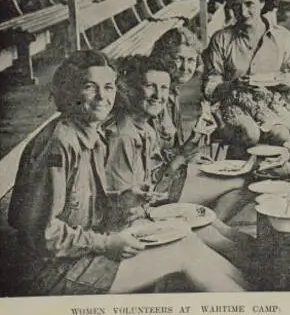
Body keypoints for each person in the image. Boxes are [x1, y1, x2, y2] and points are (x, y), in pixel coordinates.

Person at [8, 50, 246, 295]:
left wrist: (123, 200)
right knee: (183, 253)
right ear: (68, 91)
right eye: (90, 87)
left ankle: (253, 295)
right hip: (54, 271)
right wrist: (106, 243)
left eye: (109, 87)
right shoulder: (60, 144)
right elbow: (42, 234)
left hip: (82, 250)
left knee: (186, 240)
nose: (103, 97)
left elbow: (83, 208)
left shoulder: (92, 133)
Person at [104, 55, 263, 286]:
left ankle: (264, 277)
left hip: (154, 206)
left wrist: (193, 142)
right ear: (129, 89)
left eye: (164, 88)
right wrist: (175, 218)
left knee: (223, 232)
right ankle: (260, 282)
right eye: (150, 86)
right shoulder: (123, 136)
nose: (159, 95)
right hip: (137, 225)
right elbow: (129, 209)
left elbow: (152, 185)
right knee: (211, 237)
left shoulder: (144, 126)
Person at [203, 0, 290, 157]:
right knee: (249, 133)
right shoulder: (221, 39)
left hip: (270, 104)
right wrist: (233, 85)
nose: (243, 12)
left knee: (282, 135)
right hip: (232, 104)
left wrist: (274, 80)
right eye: (236, 6)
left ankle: (271, 177)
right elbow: (209, 86)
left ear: (262, 3)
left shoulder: (283, 37)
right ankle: (236, 174)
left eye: (249, 4)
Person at [148, 26, 203, 158]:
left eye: (191, 60)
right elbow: (158, 156)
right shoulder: (157, 97)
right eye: (178, 59)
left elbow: (176, 149)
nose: (185, 68)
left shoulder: (173, 91)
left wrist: (195, 140)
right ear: (164, 58)